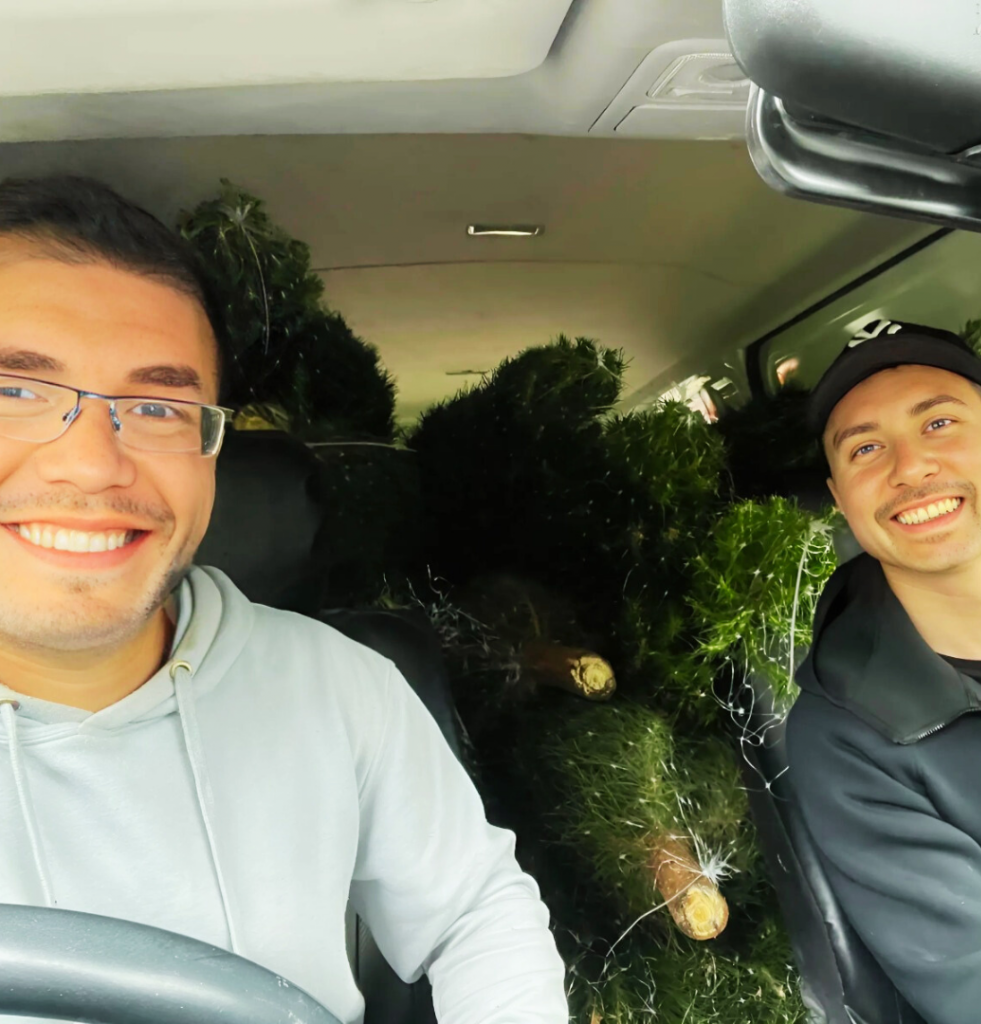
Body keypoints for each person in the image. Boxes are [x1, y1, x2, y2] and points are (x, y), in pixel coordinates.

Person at [0, 175, 568, 1024]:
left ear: (213, 452)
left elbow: (473, 908)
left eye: (157, 405)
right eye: (15, 392)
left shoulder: (342, 687)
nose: (90, 464)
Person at [787, 318, 981, 1024]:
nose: (909, 468)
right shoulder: (846, 735)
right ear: (840, 498)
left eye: (939, 423)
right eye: (866, 447)